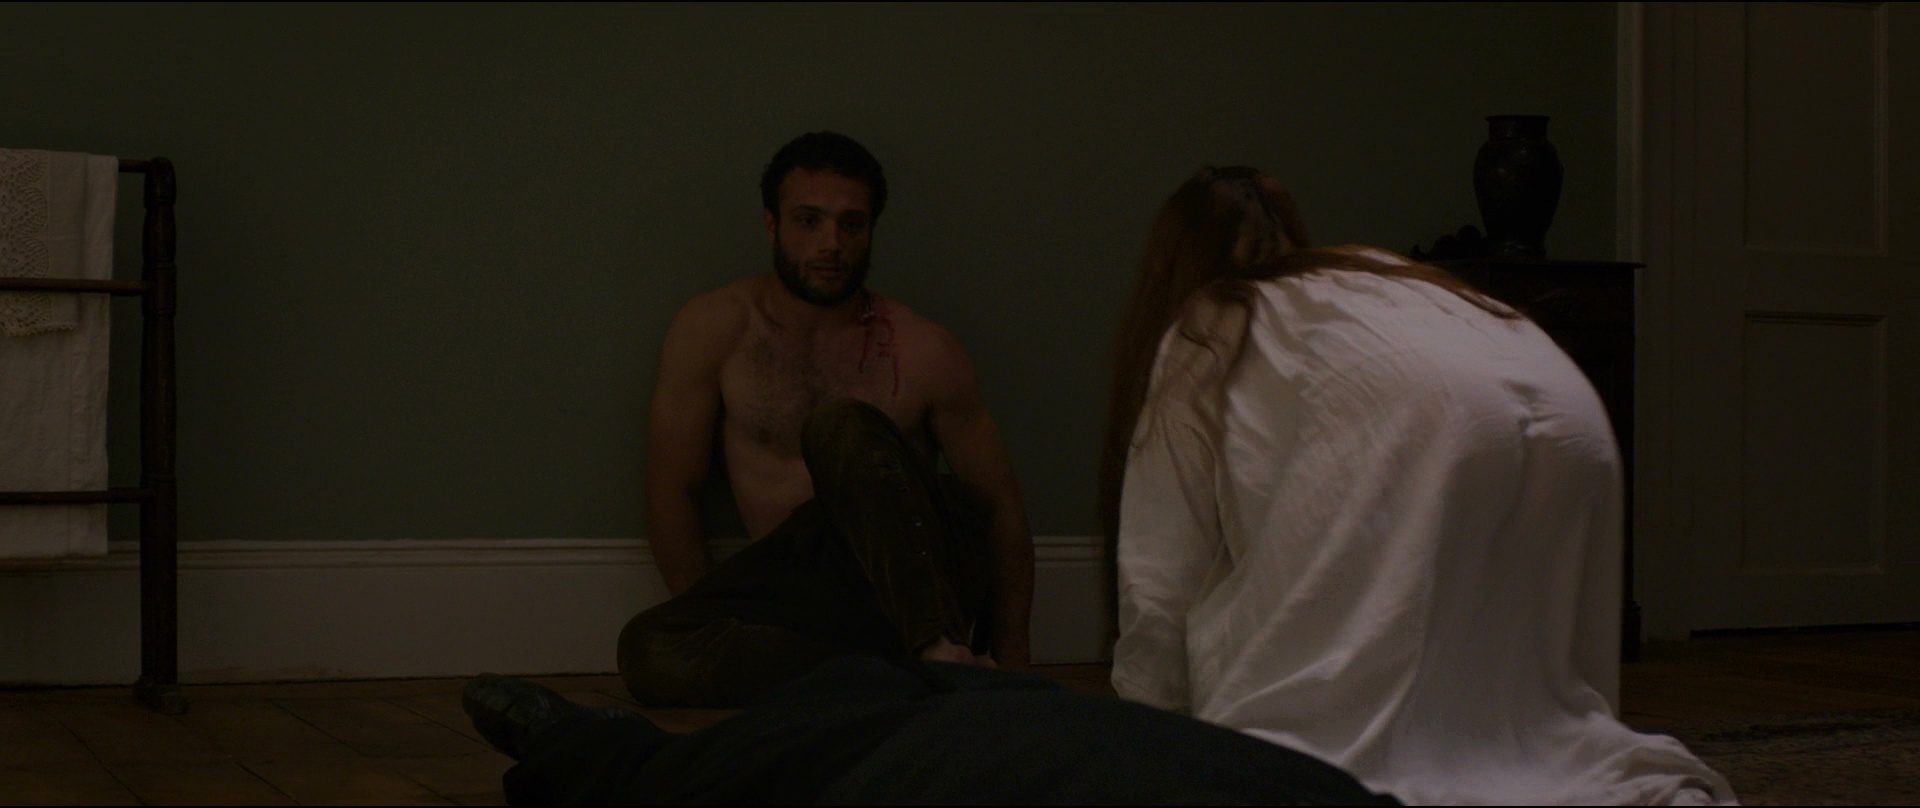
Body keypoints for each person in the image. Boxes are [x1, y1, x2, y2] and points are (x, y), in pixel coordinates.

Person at [1099, 166, 1738, 805]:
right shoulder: (1383, 276)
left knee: (1325, 751)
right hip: (1565, 409)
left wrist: (1152, 734)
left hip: (1431, 416)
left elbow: (1164, 570)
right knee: (1531, 712)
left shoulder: (1208, 325)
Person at [624, 131, 1034, 708]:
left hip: (912, 586)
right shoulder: (717, 327)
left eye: (851, 224)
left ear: (870, 231)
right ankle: (898, 683)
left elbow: (1000, 506)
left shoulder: (923, 348)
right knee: (648, 647)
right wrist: (709, 611)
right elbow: (672, 488)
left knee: (839, 427)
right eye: (808, 220)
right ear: (772, 225)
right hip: (800, 592)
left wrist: (1016, 662)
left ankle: (938, 649)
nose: (831, 243)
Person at [462, 657, 1403, 805]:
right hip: (1035, 722)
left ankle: (577, 746)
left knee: (684, 778)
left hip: (920, 760)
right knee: (868, 680)